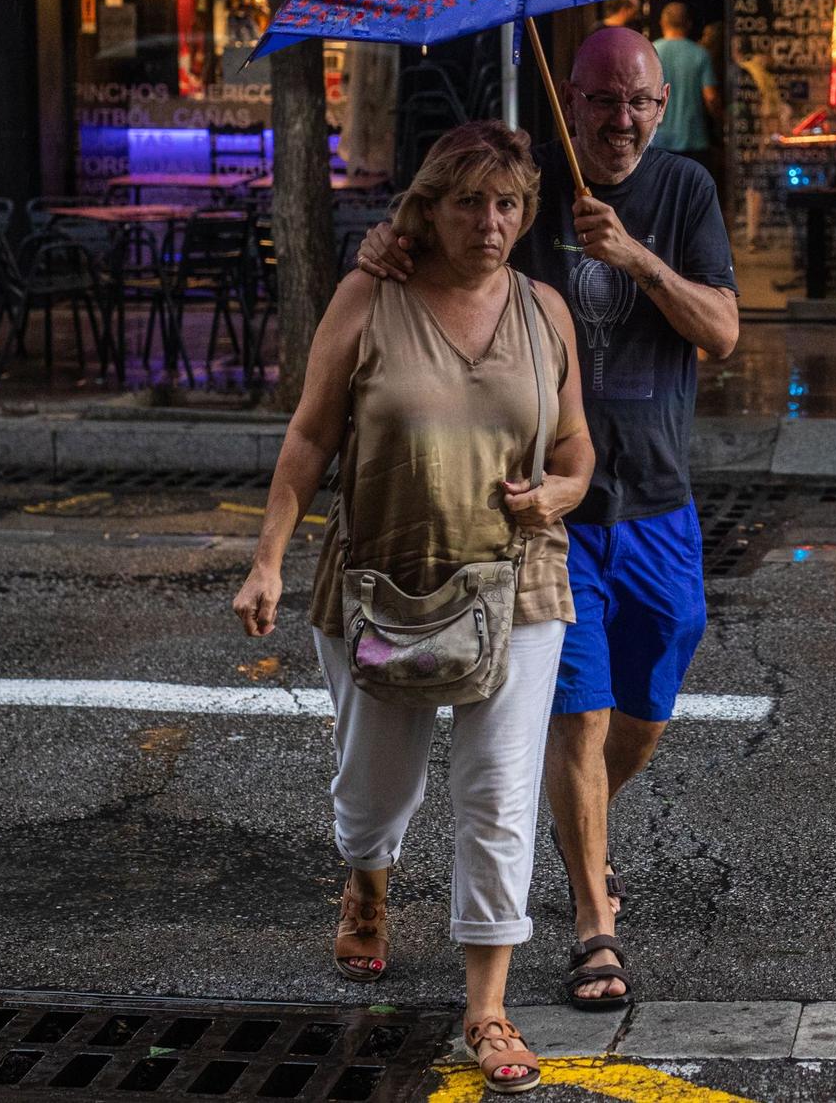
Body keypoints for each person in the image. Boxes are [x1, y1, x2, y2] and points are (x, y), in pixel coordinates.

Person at [355, 27, 739, 1009]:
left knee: (642, 717)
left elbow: (723, 332)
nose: (621, 120)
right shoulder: (522, 197)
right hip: (547, 514)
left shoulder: (683, 192)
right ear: (569, 98)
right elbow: (443, 244)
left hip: (656, 509)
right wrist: (384, 246)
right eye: (602, 100)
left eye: (640, 103)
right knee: (580, 715)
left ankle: (575, 829)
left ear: (663, 108)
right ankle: (592, 920)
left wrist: (634, 255)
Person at [233, 120, 592, 1094]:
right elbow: (309, 438)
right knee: (373, 790)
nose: (490, 221)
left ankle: (485, 1004)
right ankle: (367, 875)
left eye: (509, 203)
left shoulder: (543, 311)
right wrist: (267, 557)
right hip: (378, 582)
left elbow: (575, 450)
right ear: (427, 206)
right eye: (470, 200)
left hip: (516, 585)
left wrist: (559, 494)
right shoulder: (368, 297)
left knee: (498, 794)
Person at [651, 3, 721, 173]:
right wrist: (722, 122)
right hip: (694, 140)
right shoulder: (700, 54)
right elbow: (711, 97)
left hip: (657, 141)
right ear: (688, 24)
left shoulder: (650, 51)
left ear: (663, 23)